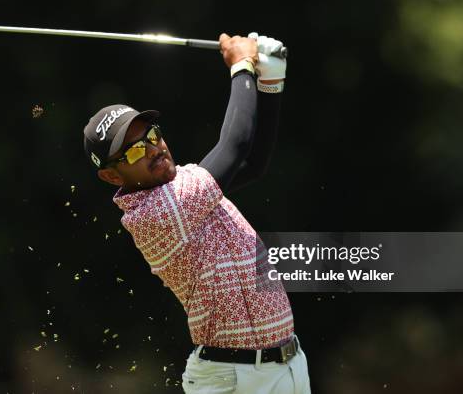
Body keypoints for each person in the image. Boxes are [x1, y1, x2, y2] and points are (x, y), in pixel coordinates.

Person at [82, 32, 311, 394]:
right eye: (132, 152)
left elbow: (252, 164)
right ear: (112, 175)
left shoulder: (187, 182)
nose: (153, 149)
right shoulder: (150, 215)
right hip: (232, 380)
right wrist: (241, 66)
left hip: (287, 367)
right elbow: (235, 146)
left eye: (152, 135)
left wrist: (271, 81)